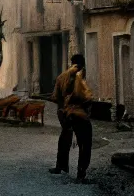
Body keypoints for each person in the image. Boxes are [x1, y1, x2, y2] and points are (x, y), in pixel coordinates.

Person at [48, 54, 94, 182]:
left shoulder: (61, 77)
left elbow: (56, 98)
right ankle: (81, 172)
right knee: (85, 143)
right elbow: (88, 98)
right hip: (79, 114)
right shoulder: (81, 78)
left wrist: (62, 112)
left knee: (64, 139)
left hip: (65, 113)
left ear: (71, 62)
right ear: (83, 64)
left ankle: (61, 166)